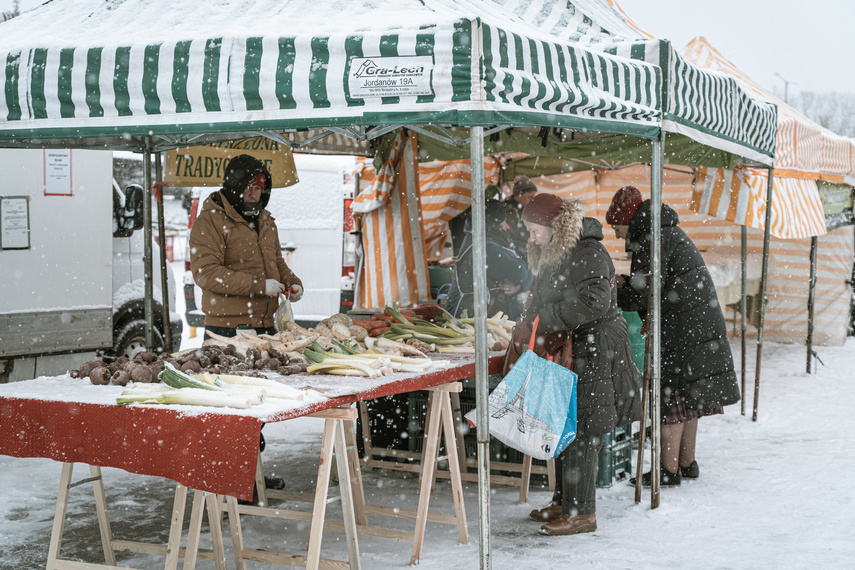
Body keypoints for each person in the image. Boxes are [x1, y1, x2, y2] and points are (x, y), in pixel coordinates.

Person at [521, 193, 642, 536]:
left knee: (583, 429)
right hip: (574, 347)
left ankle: (582, 513)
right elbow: (546, 295)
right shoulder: (558, 251)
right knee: (564, 425)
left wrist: (548, 317)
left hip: (596, 349)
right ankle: (564, 501)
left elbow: (595, 302)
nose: (532, 238)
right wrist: (530, 321)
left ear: (555, 227)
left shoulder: (587, 252)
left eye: (534, 231)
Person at [606, 186, 740, 487]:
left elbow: (645, 294)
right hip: (697, 325)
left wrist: (614, 289)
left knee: (672, 400)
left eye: (617, 227)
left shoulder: (652, 239)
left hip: (682, 329)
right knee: (690, 397)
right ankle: (686, 462)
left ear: (628, 221)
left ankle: (667, 470)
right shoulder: (665, 232)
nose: (616, 235)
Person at [189, 154, 303, 340]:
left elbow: (276, 262)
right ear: (235, 188)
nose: (254, 194)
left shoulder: (265, 221)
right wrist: (259, 285)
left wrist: (292, 282)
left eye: (258, 188)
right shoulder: (210, 221)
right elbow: (206, 273)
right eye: (248, 188)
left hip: (266, 327)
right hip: (227, 331)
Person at [444, 199, 533, 321]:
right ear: (494, 224)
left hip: (484, 316)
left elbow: (525, 272)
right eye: (504, 222)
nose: (507, 227)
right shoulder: (484, 247)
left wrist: (522, 285)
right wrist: (523, 279)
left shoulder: (485, 240)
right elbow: (520, 273)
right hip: (470, 318)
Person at [501, 175, 539, 256]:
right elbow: (510, 240)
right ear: (519, 194)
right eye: (530, 197)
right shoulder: (508, 210)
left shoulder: (525, 210)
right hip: (515, 257)